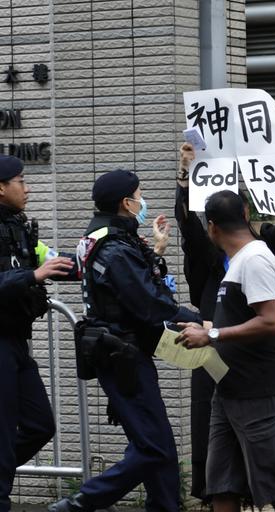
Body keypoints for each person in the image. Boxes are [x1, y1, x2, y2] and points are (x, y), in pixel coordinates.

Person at [49, 169, 204, 512]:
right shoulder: (114, 247)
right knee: (153, 447)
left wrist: (158, 250)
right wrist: (200, 321)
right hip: (123, 353)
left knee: (157, 443)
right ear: (126, 203)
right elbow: (148, 302)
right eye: (139, 194)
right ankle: (78, 504)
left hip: (122, 351)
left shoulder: (103, 236)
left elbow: (139, 283)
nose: (142, 200)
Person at [175, 141, 275, 511]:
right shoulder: (223, 258)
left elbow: (270, 321)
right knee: (222, 480)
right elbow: (189, 230)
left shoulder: (257, 256)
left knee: (272, 475)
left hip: (258, 381)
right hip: (225, 382)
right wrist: (186, 178)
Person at [0, 155, 76, 512]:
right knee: (2, 435)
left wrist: (95, 261)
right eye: (20, 182)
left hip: (16, 341)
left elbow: (50, 261)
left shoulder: (17, 226)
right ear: (1, 187)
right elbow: (31, 273)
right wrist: (32, 276)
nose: (27, 189)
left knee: (40, 424)